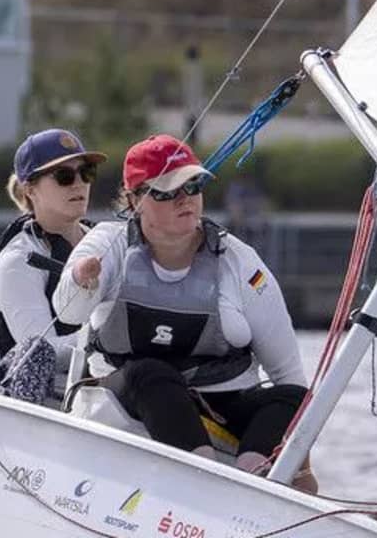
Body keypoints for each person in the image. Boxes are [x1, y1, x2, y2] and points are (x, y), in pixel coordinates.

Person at [52, 134, 317, 492]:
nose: (185, 199)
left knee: (297, 398)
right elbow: (66, 313)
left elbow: (288, 373)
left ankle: (254, 482)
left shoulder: (239, 261)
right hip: (130, 397)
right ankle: (203, 478)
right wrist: (83, 282)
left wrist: (302, 463)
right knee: (151, 373)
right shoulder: (106, 244)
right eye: (167, 191)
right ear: (135, 201)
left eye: (194, 185)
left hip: (219, 402)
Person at [0, 129, 107, 404]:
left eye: (86, 172)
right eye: (64, 176)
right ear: (30, 189)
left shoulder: (108, 243)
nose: (78, 184)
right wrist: (110, 335)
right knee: (38, 352)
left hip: (103, 390)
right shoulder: (17, 262)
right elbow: (43, 348)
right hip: (33, 399)